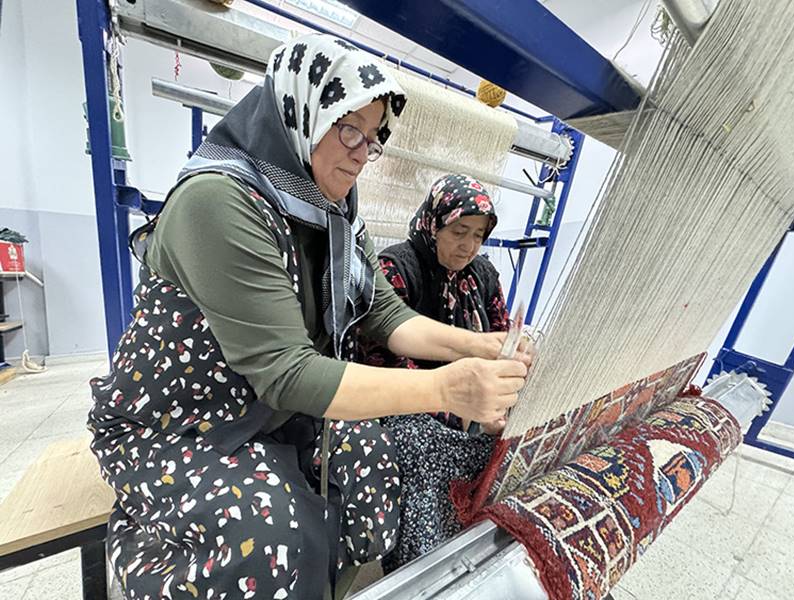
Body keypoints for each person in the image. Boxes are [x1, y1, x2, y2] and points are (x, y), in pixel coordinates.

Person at [87, 34, 527, 600]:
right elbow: (286, 371)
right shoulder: (219, 202)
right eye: (348, 129)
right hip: (180, 425)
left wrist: (483, 348)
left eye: (373, 139)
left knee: (372, 466)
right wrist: (449, 389)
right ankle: (160, 554)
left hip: (268, 413)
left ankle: (324, 585)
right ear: (299, 111)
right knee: (274, 537)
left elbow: (384, 316)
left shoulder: (332, 215)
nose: (360, 152)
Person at [359, 174, 513, 571]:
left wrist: (507, 381)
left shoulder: (483, 276)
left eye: (479, 235)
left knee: (513, 452)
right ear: (434, 222)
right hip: (406, 407)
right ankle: (429, 574)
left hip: (472, 409)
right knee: (422, 452)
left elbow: (502, 338)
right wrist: (458, 408)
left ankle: (493, 561)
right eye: (459, 231)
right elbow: (383, 360)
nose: (469, 245)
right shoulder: (397, 269)